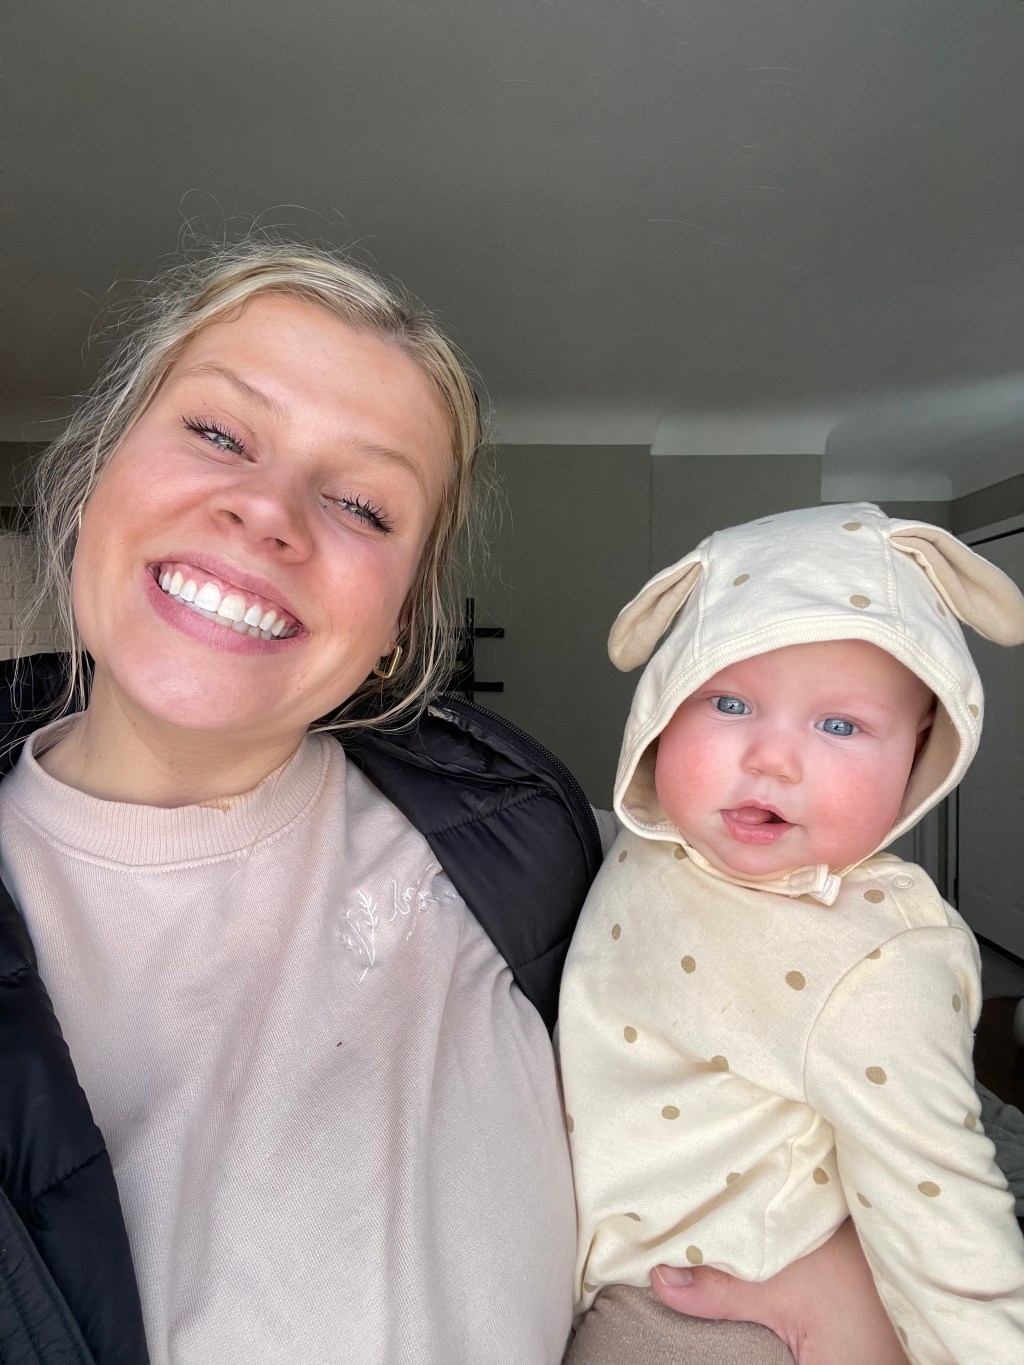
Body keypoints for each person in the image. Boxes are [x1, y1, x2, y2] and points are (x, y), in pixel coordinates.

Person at [0, 242, 917, 1365]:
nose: (268, 511)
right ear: (98, 474)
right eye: (219, 434)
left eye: (362, 504)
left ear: (398, 621)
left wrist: (842, 1255)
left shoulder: (540, 846)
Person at [559, 502, 1024, 1365]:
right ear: (664, 706)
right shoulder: (652, 842)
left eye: (839, 724)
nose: (771, 758)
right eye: (729, 701)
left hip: (715, 1310)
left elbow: (945, 1216)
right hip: (604, 1267)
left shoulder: (874, 959)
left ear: (920, 748)